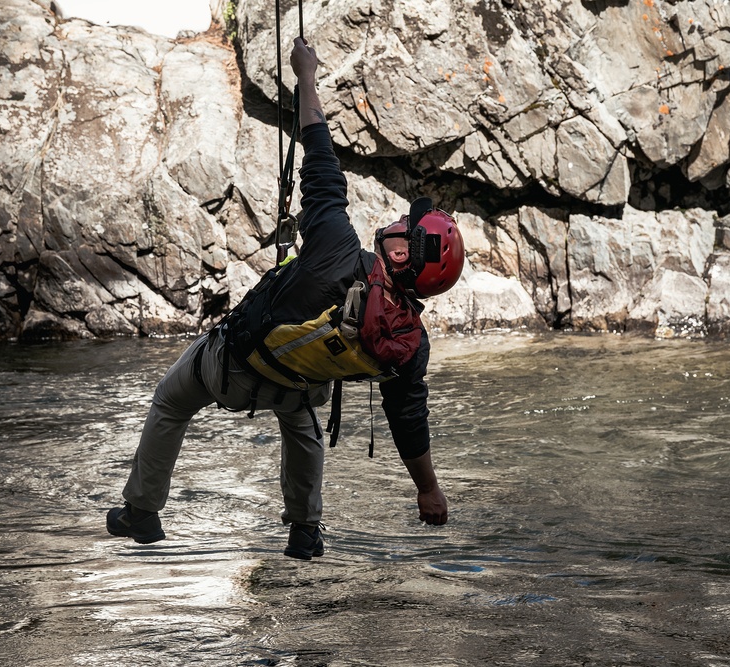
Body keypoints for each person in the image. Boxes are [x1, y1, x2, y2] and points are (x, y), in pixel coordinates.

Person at [106, 37, 465, 560]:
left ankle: (141, 511)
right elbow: (407, 418)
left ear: (405, 253)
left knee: (170, 400)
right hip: (294, 387)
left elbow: (319, 155)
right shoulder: (411, 341)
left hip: (231, 367)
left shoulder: (337, 246)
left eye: (405, 229)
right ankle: (304, 530)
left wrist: (307, 77)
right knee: (302, 423)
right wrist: (427, 489)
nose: (395, 223)